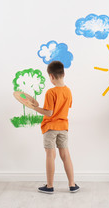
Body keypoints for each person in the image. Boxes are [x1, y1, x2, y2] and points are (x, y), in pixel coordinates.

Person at [31, 61, 79, 194]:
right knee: (65, 155)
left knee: (50, 156)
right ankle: (72, 184)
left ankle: (50, 186)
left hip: (50, 128)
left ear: (51, 76)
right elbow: (67, 107)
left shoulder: (50, 92)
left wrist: (35, 108)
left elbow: (49, 112)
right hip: (63, 127)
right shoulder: (68, 91)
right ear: (63, 73)